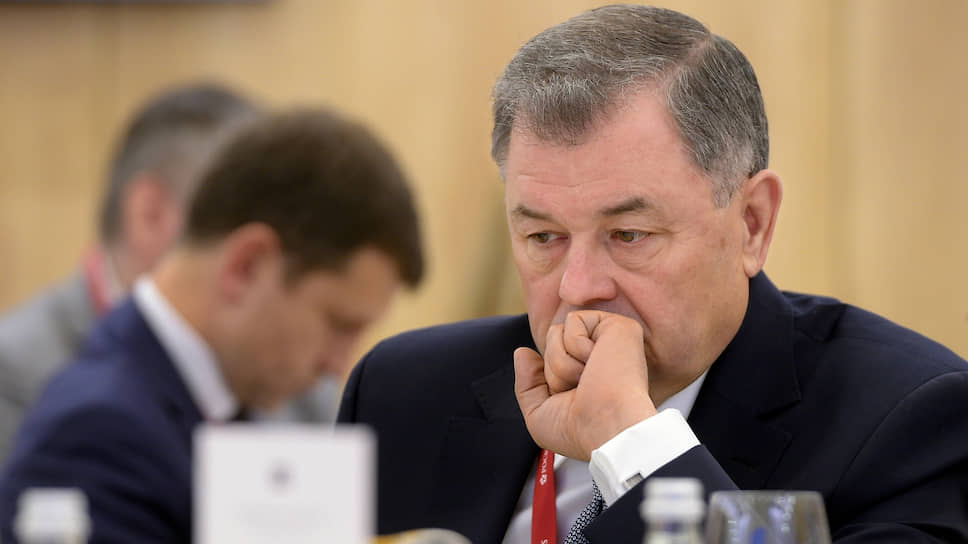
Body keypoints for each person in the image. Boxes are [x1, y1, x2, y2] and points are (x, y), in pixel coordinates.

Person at [338, 5, 968, 543]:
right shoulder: (404, 391)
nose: (578, 287)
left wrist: (633, 444)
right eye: (544, 238)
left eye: (629, 235)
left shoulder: (908, 421)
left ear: (751, 223)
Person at [0, 108, 424, 542]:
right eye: (338, 324)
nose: (338, 364)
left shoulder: (215, 405)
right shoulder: (97, 435)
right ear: (246, 266)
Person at [0, 83, 258, 461]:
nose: (261, 268)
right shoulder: (15, 371)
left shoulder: (293, 376)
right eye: (243, 239)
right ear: (149, 214)